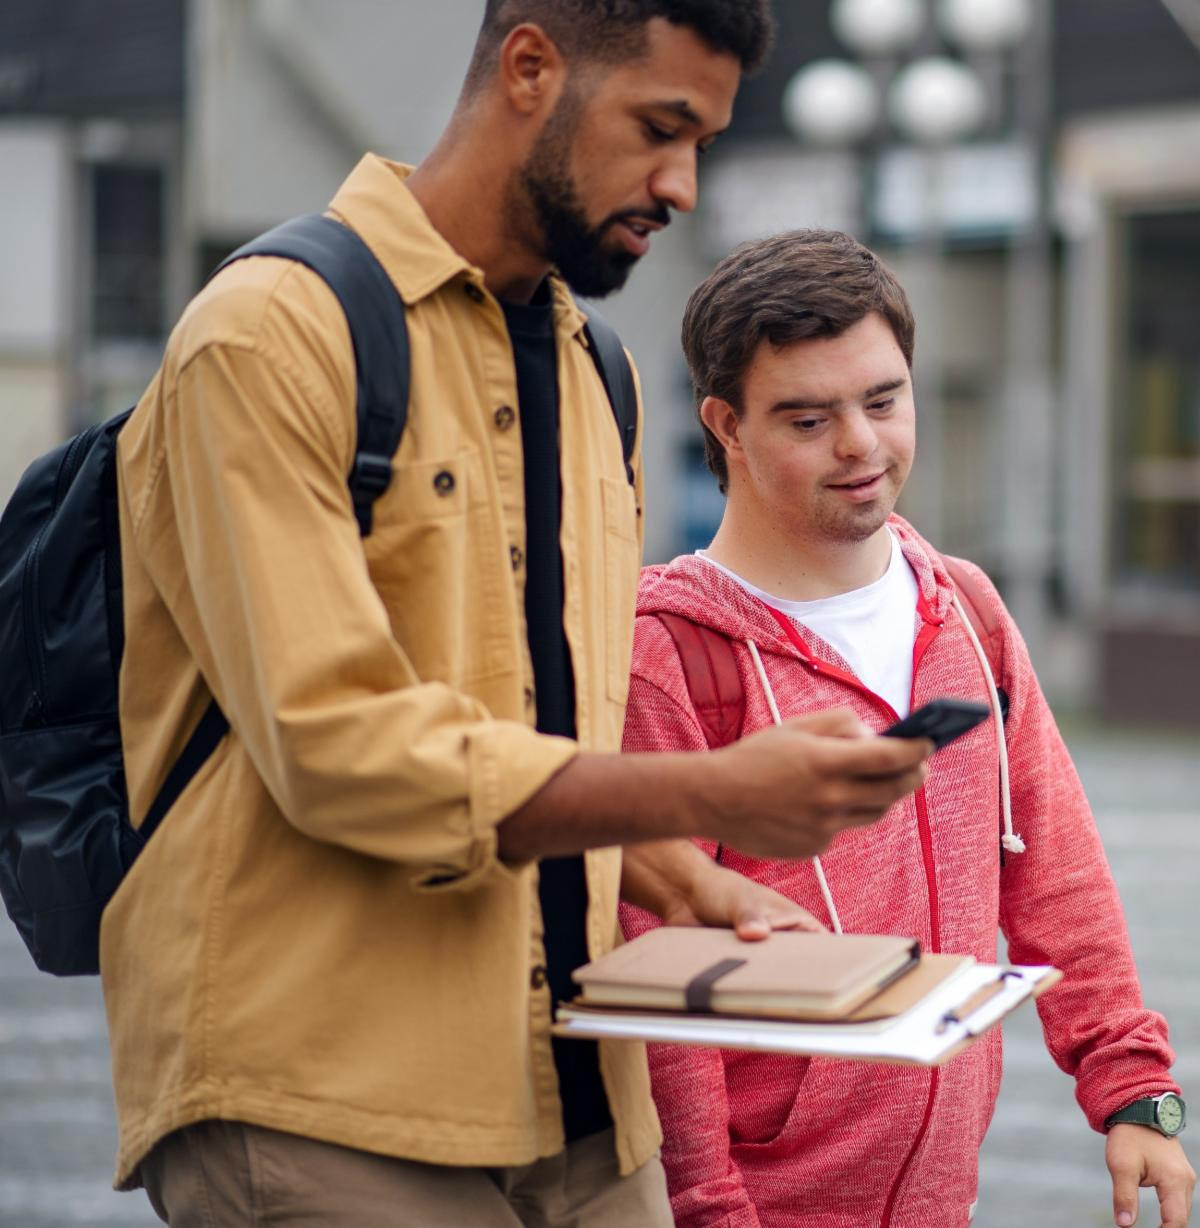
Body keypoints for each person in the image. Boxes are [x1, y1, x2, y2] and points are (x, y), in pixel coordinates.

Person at [106, 6, 934, 1226]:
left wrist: (682, 878)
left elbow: (540, 719)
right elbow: (337, 746)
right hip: (325, 1095)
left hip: (585, 1089)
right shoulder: (269, 333)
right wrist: (707, 795)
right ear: (531, 67)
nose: (683, 186)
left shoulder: (599, 368)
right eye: (663, 128)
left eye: (703, 141)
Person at [620, 230, 1196, 1228]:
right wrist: (710, 1206)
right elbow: (663, 974)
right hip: (759, 1204)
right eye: (809, 417)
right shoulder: (667, 652)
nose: (861, 444)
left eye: (883, 400)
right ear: (725, 425)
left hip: (941, 1199)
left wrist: (1132, 1085)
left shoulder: (963, 607)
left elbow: (1052, 863)